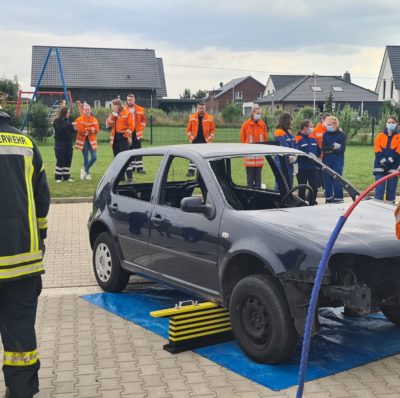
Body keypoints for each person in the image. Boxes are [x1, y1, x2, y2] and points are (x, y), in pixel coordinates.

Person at [0, 110, 50, 397]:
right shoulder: (26, 144)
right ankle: (21, 390)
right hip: (23, 261)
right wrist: (40, 236)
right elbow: (41, 200)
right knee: (20, 335)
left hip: (23, 262)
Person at [239, 105, 268, 187]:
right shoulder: (246, 125)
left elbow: (265, 138)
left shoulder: (262, 124)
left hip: (259, 158)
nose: (259, 115)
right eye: (257, 113)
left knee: (258, 181)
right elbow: (242, 139)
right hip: (249, 158)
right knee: (250, 181)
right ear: (252, 113)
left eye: (260, 113)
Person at [106, 99, 135, 180]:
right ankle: (121, 176)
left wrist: (125, 135)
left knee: (125, 157)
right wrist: (113, 115)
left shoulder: (127, 113)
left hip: (123, 138)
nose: (112, 107)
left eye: (113, 105)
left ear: (117, 105)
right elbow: (109, 124)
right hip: (115, 139)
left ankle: (129, 176)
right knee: (117, 158)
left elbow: (131, 126)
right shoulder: (113, 114)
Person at [373, 116, 400, 202]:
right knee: (379, 189)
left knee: (391, 190)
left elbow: (398, 153)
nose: (390, 124)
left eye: (392, 122)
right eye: (389, 122)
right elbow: (377, 150)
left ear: (396, 124)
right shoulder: (379, 136)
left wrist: (388, 161)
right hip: (379, 166)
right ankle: (377, 208)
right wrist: (383, 162)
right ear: (386, 124)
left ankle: (390, 208)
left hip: (393, 167)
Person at [186, 102, 216, 177]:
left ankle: (203, 173)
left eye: (203, 108)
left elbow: (213, 130)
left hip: (205, 141)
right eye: (200, 108)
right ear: (197, 109)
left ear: (205, 108)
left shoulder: (210, 117)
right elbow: (188, 130)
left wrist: (209, 138)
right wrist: (191, 138)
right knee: (192, 156)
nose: (201, 110)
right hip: (195, 140)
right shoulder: (192, 117)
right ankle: (191, 171)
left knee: (205, 157)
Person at [321, 116, 346, 203]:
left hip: (337, 160)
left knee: (337, 180)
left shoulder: (341, 135)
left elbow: (341, 150)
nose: (328, 126)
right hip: (326, 160)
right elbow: (323, 148)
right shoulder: (325, 134)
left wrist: (330, 149)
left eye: (329, 124)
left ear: (335, 124)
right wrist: (332, 147)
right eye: (327, 124)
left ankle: (338, 199)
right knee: (327, 181)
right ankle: (328, 199)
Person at [295, 119, 320, 204]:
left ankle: (312, 202)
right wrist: (307, 155)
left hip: (313, 167)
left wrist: (318, 157)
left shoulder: (312, 137)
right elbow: (297, 151)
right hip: (302, 167)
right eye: (311, 126)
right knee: (302, 187)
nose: (312, 128)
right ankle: (301, 203)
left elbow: (318, 149)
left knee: (314, 186)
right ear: (305, 127)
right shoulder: (298, 138)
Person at [75, 103, 99, 180]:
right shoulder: (79, 119)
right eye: (86, 110)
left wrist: (87, 129)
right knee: (86, 158)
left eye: (88, 109)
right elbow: (80, 130)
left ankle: (84, 170)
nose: (87, 111)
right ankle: (87, 174)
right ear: (83, 110)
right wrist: (90, 129)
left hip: (92, 141)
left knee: (94, 157)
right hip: (83, 141)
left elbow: (96, 130)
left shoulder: (94, 120)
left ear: (90, 110)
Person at [274, 112, 296, 189]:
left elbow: (294, 144)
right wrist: (290, 155)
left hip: (289, 161)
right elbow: (284, 146)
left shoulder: (289, 133)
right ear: (287, 121)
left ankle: (288, 199)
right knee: (281, 182)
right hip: (281, 161)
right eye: (291, 120)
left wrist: (295, 154)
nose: (292, 122)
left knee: (289, 182)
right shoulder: (279, 132)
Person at [125, 94, 147, 173]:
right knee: (130, 150)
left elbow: (144, 121)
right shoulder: (124, 109)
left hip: (137, 132)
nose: (130, 101)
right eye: (128, 100)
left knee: (138, 150)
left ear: (134, 100)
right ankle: (132, 167)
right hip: (129, 132)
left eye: (131, 100)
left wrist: (141, 127)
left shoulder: (140, 109)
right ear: (127, 100)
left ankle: (140, 168)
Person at [53, 107, 75, 182]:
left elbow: (71, 131)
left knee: (68, 159)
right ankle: (58, 177)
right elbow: (60, 128)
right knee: (60, 159)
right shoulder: (57, 121)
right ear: (64, 113)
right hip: (60, 143)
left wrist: (74, 128)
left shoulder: (68, 121)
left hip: (68, 143)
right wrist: (70, 125)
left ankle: (66, 177)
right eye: (67, 112)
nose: (68, 113)